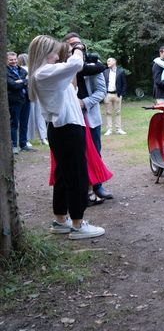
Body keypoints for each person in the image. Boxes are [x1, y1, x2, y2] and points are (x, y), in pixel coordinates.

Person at [28, 35, 105, 239]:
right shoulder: (44, 72)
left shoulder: (49, 73)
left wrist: (69, 58)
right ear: (45, 52)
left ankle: (61, 219)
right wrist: (77, 47)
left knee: (63, 176)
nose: (58, 54)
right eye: (54, 50)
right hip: (68, 129)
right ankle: (78, 224)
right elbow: (77, 62)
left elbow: (72, 84)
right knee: (77, 176)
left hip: (64, 129)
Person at [63, 32, 111, 201]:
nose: (77, 47)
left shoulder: (93, 65)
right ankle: (81, 189)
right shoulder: (63, 66)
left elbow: (101, 91)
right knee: (76, 154)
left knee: (95, 151)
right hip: (70, 118)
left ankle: (98, 186)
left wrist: (84, 103)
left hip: (90, 116)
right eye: (72, 45)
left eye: (79, 44)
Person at [7, 51, 34, 154]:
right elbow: (12, 85)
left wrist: (21, 81)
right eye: (11, 60)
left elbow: (30, 80)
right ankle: (13, 145)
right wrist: (24, 81)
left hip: (26, 99)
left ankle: (23, 144)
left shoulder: (21, 70)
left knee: (24, 123)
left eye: (15, 59)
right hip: (14, 101)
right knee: (14, 123)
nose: (13, 61)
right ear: (6, 60)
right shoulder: (5, 72)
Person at [19, 53, 48, 146]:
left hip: (30, 95)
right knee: (39, 117)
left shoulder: (23, 70)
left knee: (30, 117)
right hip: (36, 94)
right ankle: (42, 138)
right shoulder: (31, 69)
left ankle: (29, 138)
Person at [102, 57, 127, 136]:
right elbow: (102, 83)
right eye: (107, 61)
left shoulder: (121, 71)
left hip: (117, 94)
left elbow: (124, 84)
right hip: (107, 94)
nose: (107, 63)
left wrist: (121, 94)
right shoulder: (105, 72)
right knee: (108, 112)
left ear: (114, 61)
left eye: (109, 61)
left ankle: (118, 129)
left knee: (118, 112)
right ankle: (109, 129)